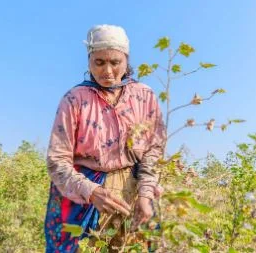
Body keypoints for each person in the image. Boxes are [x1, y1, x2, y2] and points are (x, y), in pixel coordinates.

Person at [44, 24, 167, 252]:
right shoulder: (74, 100)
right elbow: (57, 161)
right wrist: (90, 191)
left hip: (133, 189)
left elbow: (154, 148)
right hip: (84, 196)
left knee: (134, 246)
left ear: (126, 60)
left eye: (115, 62)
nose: (107, 71)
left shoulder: (144, 96)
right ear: (89, 61)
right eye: (99, 63)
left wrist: (145, 193)